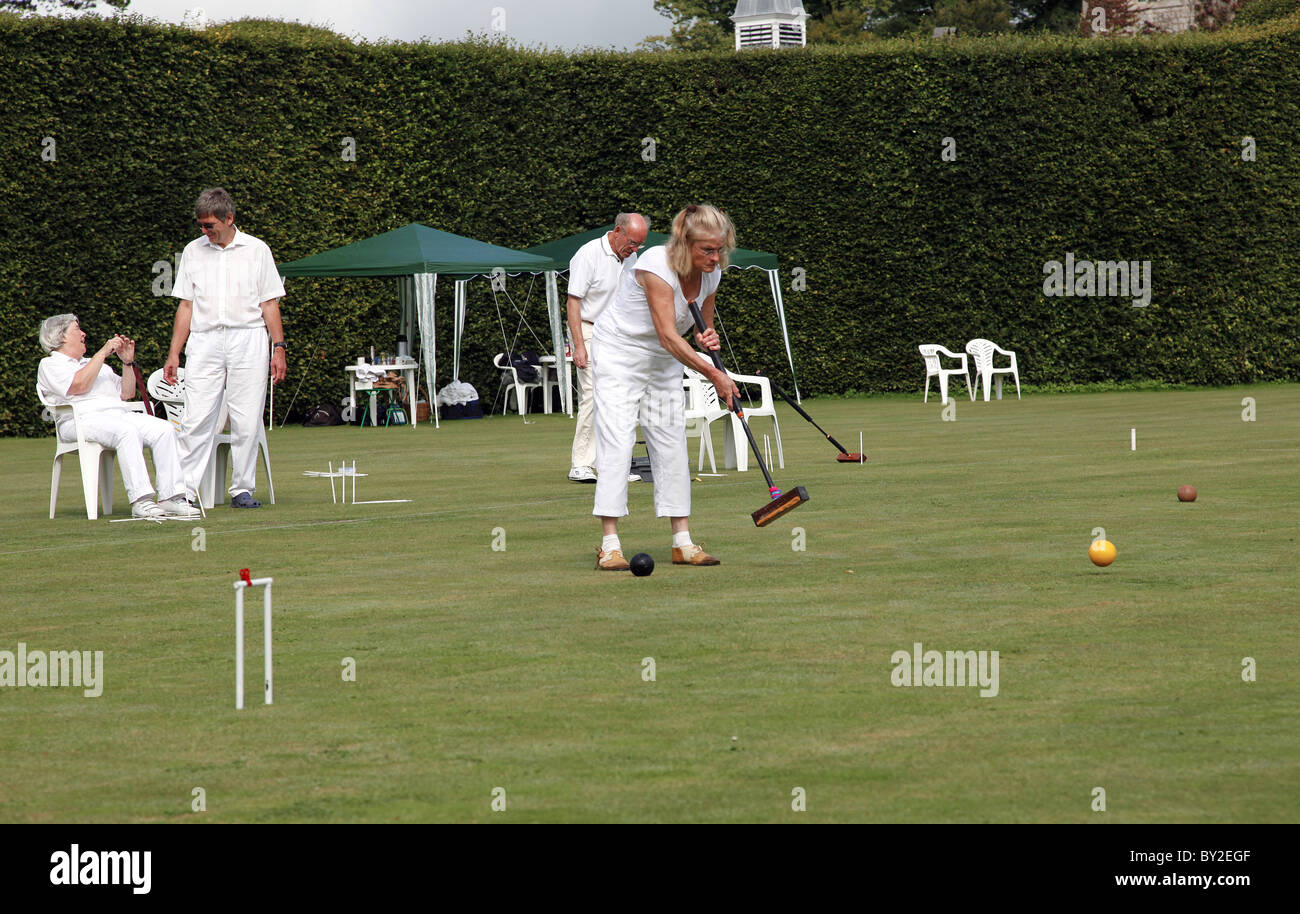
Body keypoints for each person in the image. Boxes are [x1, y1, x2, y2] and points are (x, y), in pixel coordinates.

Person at [591, 204, 741, 570]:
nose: (716, 257)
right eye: (707, 250)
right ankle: (610, 545)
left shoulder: (711, 276)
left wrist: (708, 338)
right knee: (618, 439)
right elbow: (668, 334)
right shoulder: (656, 265)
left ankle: (682, 542)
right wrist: (716, 375)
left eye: (720, 249)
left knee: (671, 441)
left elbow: (696, 328)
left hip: (662, 360)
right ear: (683, 243)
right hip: (619, 352)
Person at [166, 187, 286, 508]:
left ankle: (242, 489)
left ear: (229, 218)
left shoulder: (258, 250)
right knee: (196, 417)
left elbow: (269, 303)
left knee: (247, 418)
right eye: (201, 226)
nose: (204, 232)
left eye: (210, 226)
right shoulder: (193, 251)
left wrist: (279, 347)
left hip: (248, 337)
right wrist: (174, 352)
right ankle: (185, 491)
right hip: (204, 339)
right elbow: (186, 307)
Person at [37, 314, 200, 520]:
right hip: (79, 421)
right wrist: (103, 352)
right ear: (61, 337)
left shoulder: (96, 364)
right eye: (77, 329)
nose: (83, 333)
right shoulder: (51, 364)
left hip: (117, 415)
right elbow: (79, 386)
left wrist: (127, 362)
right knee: (126, 431)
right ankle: (141, 501)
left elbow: (127, 393)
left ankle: (171, 496)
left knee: (163, 429)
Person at [566, 213, 650, 483]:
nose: (635, 249)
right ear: (618, 231)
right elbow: (573, 302)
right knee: (592, 394)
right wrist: (578, 345)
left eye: (639, 245)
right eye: (633, 243)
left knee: (618, 399)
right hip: (588, 328)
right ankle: (580, 464)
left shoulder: (632, 258)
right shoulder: (588, 254)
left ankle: (613, 466)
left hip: (616, 334)